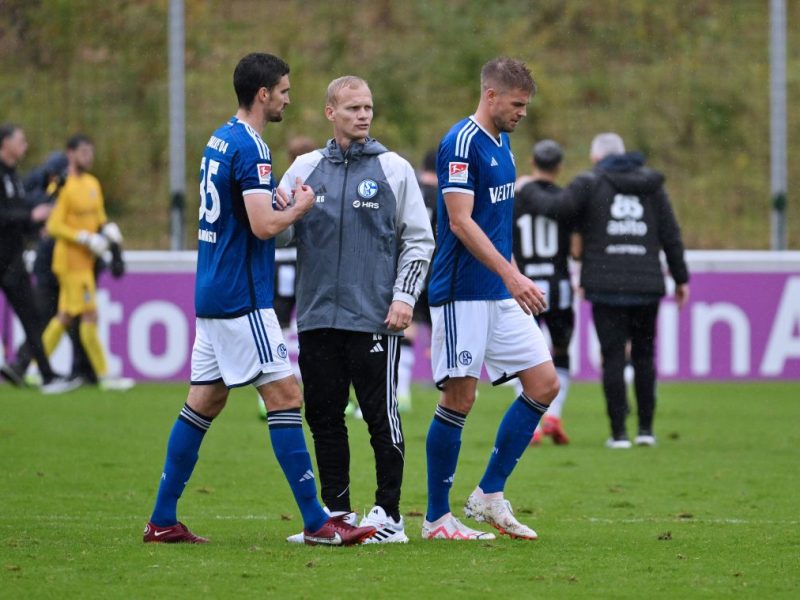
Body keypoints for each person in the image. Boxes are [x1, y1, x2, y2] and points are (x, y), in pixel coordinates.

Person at [143, 53, 375, 546]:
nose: (290, 99)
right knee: (287, 397)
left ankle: (162, 519)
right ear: (264, 93)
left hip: (212, 290)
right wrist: (299, 208)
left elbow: (242, 211)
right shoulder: (253, 148)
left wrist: (278, 204)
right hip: (241, 295)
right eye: (285, 91)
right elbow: (263, 226)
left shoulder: (220, 138)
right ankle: (317, 522)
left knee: (205, 400)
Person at [279, 75, 435, 544]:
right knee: (324, 418)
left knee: (380, 416)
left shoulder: (394, 169)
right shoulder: (303, 169)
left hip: (373, 317)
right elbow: (275, 230)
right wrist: (292, 211)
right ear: (330, 113)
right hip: (317, 316)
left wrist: (405, 297)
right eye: (352, 108)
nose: (363, 115)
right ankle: (337, 515)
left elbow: (419, 239)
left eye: (367, 107)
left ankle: (390, 516)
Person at [422, 57, 559, 541]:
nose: (522, 113)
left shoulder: (504, 143)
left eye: (526, 105)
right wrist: (513, 275)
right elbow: (460, 222)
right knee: (460, 397)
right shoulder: (461, 143)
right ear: (491, 95)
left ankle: (489, 495)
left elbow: (496, 224)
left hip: (498, 291)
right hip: (462, 292)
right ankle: (437, 518)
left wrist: (508, 277)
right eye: (517, 104)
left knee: (543, 383)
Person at [527, 132, 689, 448]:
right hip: (646, 284)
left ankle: (618, 434)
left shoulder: (590, 182)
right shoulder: (653, 186)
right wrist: (681, 279)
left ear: (597, 157)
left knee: (613, 356)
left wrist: (527, 188)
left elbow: (555, 208)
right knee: (644, 356)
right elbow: (671, 235)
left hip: (606, 285)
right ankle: (646, 430)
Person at [39, 134, 134, 391]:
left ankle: (35, 368)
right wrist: (82, 237)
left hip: (85, 262)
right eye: (82, 152)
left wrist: (109, 232)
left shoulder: (92, 183)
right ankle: (104, 376)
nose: (88, 157)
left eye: (90, 152)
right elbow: (54, 225)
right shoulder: (63, 186)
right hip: (70, 263)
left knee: (65, 316)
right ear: (70, 154)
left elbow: (99, 218)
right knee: (89, 315)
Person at [0, 124, 78, 394]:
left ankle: (46, 375)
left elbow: (15, 215)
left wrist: (36, 227)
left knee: (32, 317)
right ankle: (44, 374)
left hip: (12, 260)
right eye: (20, 140)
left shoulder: (13, 177)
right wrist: (31, 217)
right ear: (5, 143)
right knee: (32, 316)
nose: (25, 145)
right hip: (5, 258)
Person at [514, 140, 576, 445]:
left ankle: (531, 425)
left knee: (524, 356)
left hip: (524, 289)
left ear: (532, 161)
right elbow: (576, 249)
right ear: (559, 166)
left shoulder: (515, 197)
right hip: (559, 287)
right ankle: (553, 416)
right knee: (561, 352)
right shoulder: (566, 201)